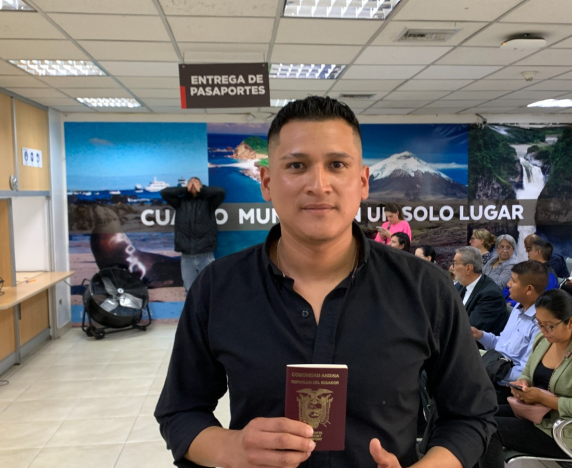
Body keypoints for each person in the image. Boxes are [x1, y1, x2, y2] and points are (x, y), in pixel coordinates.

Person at [155, 96, 497, 468]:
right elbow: (180, 412)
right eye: (297, 165)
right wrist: (232, 447)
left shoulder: (425, 287)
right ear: (266, 182)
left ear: (362, 182)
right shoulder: (218, 288)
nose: (318, 185)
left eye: (336, 165)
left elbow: (471, 415)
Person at [478, 290, 572, 468]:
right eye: (539, 323)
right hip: (537, 414)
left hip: (570, 430)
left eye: (549, 326)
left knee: (489, 430)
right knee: (478, 415)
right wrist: (523, 382)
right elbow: (527, 372)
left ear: (571, 322)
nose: (543, 330)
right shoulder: (543, 340)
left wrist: (541, 397)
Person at [473, 260, 547, 403]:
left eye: (513, 281)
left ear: (529, 289)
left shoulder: (540, 324)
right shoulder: (518, 308)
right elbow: (502, 345)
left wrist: (489, 369)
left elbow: (525, 372)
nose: (508, 284)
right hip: (492, 371)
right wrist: (480, 335)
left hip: (505, 387)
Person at [160, 177, 226, 289]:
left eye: (196, 183)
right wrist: (185, 190)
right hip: (187, 257)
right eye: (191, 183)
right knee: (189, 289)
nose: (193, 185)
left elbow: (221, 192)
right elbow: (164, 192)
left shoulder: (209, 202)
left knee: (209, 288)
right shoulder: (180, 202)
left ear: (201, 185)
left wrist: (202, 190)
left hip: (205, 255)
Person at [453, 247, 508, 336]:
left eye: (455, 263)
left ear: (468, 268)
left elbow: (471, 330)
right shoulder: (460, 285)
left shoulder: (491, 295)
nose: (452, 268)